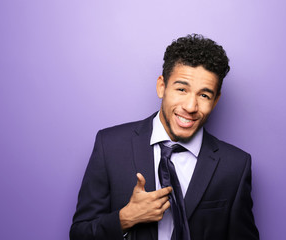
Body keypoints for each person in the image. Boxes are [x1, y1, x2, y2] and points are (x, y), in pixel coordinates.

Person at [69, 34, 259, 240]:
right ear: (162, 87)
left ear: (215, 101)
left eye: (204, 95)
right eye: (181, 89)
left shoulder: (235, 166)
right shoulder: (110, 146)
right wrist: (125, 218)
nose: (190, 107)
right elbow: (80, 234)